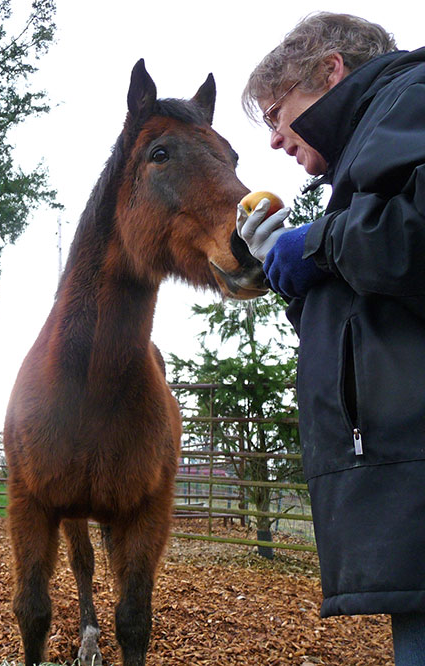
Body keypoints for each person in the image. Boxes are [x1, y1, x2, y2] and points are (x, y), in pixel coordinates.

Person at [236, 12, 425, 666]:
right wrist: (300, 276)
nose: (273, 139)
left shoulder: (415, 95)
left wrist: (316, 244)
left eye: (276, 112)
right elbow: (374, 319)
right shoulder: (380, 139)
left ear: (330, 71)